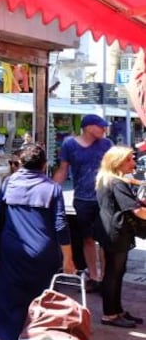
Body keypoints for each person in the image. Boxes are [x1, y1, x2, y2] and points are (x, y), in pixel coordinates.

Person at [0, 143, 75, 340]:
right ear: (45, 165)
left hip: (12, 251)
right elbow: (60, 225)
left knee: (10, 296)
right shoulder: (53, 188)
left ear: (20, 164)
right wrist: (68, 258)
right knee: (40, 299)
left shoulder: (9, 183)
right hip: (44, 252)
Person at [53, 114, 112, 290]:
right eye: (100, 126)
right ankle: (94, 276)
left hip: (104, 198)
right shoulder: (70, 144)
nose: (104, 129)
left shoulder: (106, 144)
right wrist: (51, 190)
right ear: (88, 127)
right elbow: (63, 169)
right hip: (82, 198)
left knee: (105, 240)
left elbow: (114, 168)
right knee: (87, 238)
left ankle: (106, 278)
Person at [94, 146, 146, 328]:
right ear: (118, 162)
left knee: (117, 272)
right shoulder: (117, 182)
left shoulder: (108, 179)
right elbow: (137, 210)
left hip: (112, 230)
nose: (134, 163)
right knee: (113, 274)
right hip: (115, 232)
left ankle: (117, 311)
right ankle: (110, 314)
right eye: (130, 159)